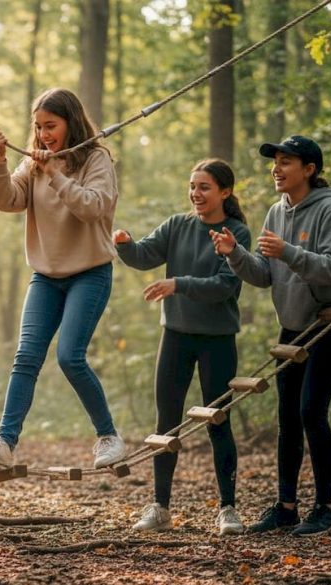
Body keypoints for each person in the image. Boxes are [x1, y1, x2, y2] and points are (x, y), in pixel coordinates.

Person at [0, 88, 125, 469]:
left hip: (89, 273)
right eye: (38, 127)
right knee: (26, 357)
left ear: (71, 122)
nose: (43, 135)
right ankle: (5, 442)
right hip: (46, 276)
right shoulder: (34, 162)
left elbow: (93, 207)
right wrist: (2, 160)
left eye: (50, 126)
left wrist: (55, 173)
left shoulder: (97, 159)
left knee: (70, 356)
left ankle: (108, 436)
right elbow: (9, 201)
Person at [211, 135, 331, 537]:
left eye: (286, 162)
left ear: (309, 169)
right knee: (287, 418)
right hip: (292, 327)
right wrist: (234, 254)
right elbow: (263, 274)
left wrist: (288, 251)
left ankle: (327, 507)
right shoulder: (276, 212)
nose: (276, 168)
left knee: (312, 411)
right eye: (275, 161)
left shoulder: (329, 210)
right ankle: (287, 506)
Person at [114, 159, 251, 536]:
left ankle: (228, 509)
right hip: (175, 335)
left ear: (224, 192)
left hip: (217, 340)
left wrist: (177, 284)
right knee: (166, 423)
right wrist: (124, 244)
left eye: (204, 187)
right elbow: (143, 256)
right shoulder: (178, 225)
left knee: (218, 423)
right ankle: (160, 507)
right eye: (192, 186)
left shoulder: (236, 232)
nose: (196, 193)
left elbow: (225, 285)